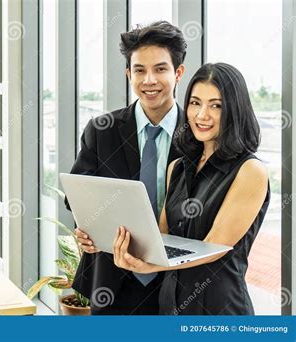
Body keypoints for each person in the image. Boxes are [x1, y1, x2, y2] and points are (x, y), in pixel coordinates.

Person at [112, 62, 270, 315]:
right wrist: (126, 245)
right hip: (171, 306)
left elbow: (213, 247)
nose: (201, 115)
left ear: (234, 111)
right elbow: (162, 235)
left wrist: (151, 266)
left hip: (220, 312)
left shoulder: (250, 171)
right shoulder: (177, 167)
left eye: (216, 106)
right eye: (195, 103)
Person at [67, 21, 187, 315]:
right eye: (139, 70)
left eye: (160, 69)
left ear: (178, 73)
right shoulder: (101, 130)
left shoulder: (197, 136)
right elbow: (77, 194)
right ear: (128, 74)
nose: (149, 80)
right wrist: (84, 228)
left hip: (177, 280)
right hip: (111, 279)